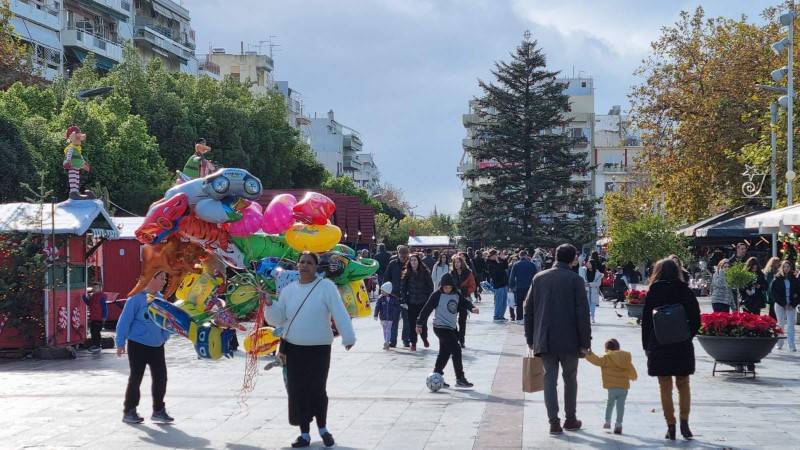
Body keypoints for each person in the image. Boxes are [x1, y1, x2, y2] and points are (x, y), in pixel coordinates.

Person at [265, 252, 355, 448]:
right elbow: (279, 318)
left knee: (317, 389)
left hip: (319, 348)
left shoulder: (326, 287)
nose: (304, 265)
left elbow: (339, 311)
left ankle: (323, 428)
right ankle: (304, 434)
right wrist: (270, 304)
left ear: (316, 267)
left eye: (309, 263)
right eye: (302, 262)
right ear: (297, 266)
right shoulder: (288, 290)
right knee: (297, 391)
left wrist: (347, 336)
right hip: (293, 348)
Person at [524, 244, 591, 435]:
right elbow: (582, 313)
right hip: (570, 339)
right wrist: (585, 342)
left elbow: (528, 310)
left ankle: (553, 421)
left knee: (549, 380)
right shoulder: (575, 280)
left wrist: (530, 338)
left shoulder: (539, 278)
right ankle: (570, 419)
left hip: (545, 338)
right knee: (570, 379)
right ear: (572, 259)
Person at [641, 258, 701, 441]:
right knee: (683, 384)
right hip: (681, 344)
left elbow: (646, 322)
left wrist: (647, 345)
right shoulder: (685, 290)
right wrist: (687, 335)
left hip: (659, 344)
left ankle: (671, 425)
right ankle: (685, 422)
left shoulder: (654, 291)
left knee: (664, 385)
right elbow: (696, 319)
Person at [115, 271, 173, 425]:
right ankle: (129, 410)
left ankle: (159, 410)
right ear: (150, 279)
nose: (164, 282)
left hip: (157, 345)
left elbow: (167, 322)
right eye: (161, 278)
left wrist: (163, 337)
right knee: (136, 378)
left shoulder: (161, 299)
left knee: (161, 377)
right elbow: (124, 321)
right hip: (137, 345)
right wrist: (120, 343)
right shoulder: (135, 299)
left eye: (165, 279)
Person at [416, 273, 479, 388]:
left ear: (452, 287)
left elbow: (464, 302)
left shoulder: (456, 294)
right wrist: (419, 323)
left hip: (451, 328)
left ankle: (437, 374)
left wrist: (472, 307)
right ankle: (460, 378)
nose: (447, 289)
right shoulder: (437, 295)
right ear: (441, 286)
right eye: (445, 287)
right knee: (456, 350)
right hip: (440, 327)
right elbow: (427, 309)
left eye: (449, 287)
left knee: (444, 353)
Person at [583, 339, 638, 435]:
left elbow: (597, 361)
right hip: (624, 387)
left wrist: (588, 354)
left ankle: (607, 422)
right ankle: (618, 424)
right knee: (620, 406)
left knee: (610, 404)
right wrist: (632, 377)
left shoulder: (607, 358)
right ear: (618, 348)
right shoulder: (625, 359)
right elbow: (633, 373)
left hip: (612, 388)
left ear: (607, 349)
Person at [401, 253, 434, 351]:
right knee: (412, 324)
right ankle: (413, 343)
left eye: (415, 260)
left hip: (423, 302)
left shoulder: (425, 272)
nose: (413, 262)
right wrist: (404, 299)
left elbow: (430, 286)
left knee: (422, 323)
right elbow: (403, 288)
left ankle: (424, 338)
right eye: (411, 260)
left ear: (419, 261)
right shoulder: (407, 273)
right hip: (411, 302)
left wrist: (428, 298)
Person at [770, 260, 798, 351]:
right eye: (784, 266)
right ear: (782, 267)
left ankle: (792, 345)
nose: (786, 268)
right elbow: (774, 293)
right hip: (780, 305)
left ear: (790, 268)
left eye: (788, 267)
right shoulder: (777, 278)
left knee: (791, 325)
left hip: (791, 305)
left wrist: (793, 303)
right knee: (780, 324)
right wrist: (783, 304)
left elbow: (798, 292)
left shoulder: (794, 278)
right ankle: (779, 343)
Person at [385, 245, 410, 347]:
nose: (403, 257)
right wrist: (386, 291)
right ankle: (393, 340)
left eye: (405, 255)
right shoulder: (392, 264)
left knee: (407, 321)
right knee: (394, 320)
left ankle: (406, 340)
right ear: (398, 254)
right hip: (394, 295)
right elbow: (387, 278)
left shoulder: (410, 264)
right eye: (401, 254)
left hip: (407, 296)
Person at [451, 254, 476, 348]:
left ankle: (462, 340)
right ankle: (457, 336)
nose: (457, 264)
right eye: (455, 262)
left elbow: (473, 286)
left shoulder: (468, 273)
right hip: (453, 299)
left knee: (462, 321)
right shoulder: (451, 273)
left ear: (462, 263)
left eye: (458, 262)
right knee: (452, 320)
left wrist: (463, 290)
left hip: (464, 299)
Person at [509, 250, 537, 323]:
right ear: (526, 255)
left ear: (519, 256)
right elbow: (536, 276)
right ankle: (529, 318)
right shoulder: (532, 264)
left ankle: (519, 318)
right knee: (530, 303)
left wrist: (511, 286)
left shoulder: (516, 264)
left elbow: (512, 277)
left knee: (519, 303)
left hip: (519, 286)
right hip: (530, 287)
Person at [374, 282, 401, 350]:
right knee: (384, 330)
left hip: (390, 317)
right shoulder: (380, 298)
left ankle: (387, 342)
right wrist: (375, 315)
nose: (381, 292)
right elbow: (377, 307)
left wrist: (397, 314)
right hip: (383, 317)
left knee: (388, 330)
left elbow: (398, 307)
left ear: (387, 291)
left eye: (383, 291)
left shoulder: (394, 298)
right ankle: (386, 341)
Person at [82, 281, 108, 352]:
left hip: (99, 318)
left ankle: (97, 345)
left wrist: (104, 317)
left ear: (100, 289)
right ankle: (94, 344)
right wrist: (84, 298)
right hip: (93, 318)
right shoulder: (93, 296)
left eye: (96, 288)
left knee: (96, 332)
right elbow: (89, 303)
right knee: (92, 331)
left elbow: (104, 308)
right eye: (93, 288)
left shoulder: (102, 297)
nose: (94, 289)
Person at [486, 250, 510, 322]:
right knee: (499, 302)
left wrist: (504, 259)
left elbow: (505, 267)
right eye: (496, 255)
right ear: (492, 255)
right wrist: (498, 262)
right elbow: (497, 273)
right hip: (498, 285)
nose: (497, 256)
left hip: (504, 284)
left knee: (504, 302)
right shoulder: (490, 263)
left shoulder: (498, 261)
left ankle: (501, 316)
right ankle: (497, 316)